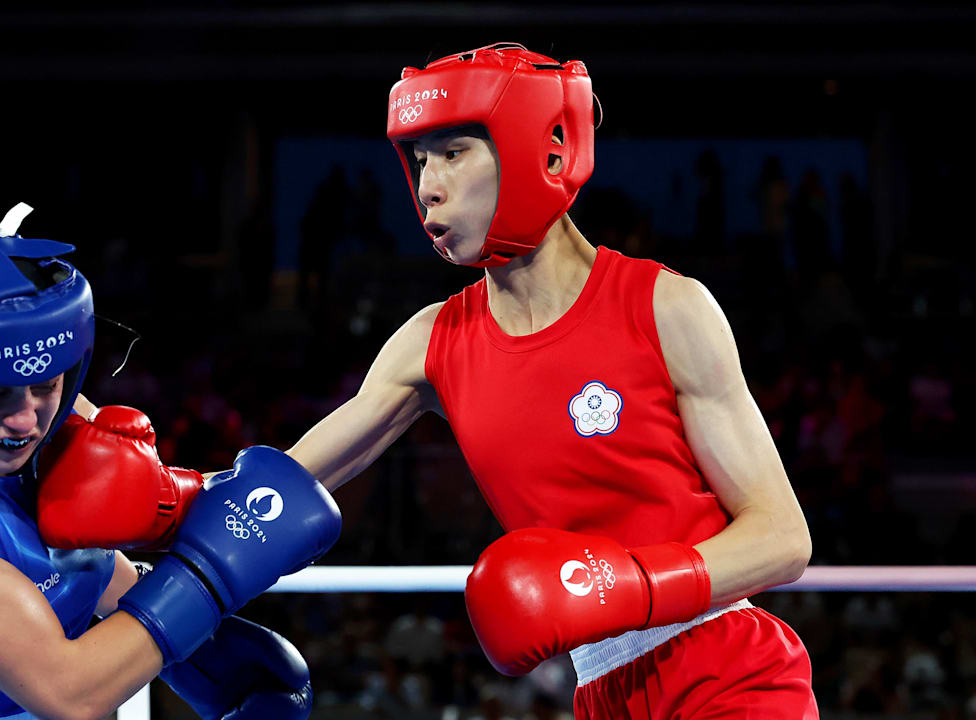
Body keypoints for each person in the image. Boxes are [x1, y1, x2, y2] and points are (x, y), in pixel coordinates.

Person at [283, 43, 819, 717]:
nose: (428, 186)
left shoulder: (665, 307)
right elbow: (276, 492)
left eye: (454, 153)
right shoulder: (430, 344)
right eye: (420, 160)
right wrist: (167, 503)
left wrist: (630, 586)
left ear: (546, 151)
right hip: (601, 688)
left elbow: (782, 538)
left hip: (726, 664)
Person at [0, 204, 341, 720]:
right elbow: (70, 695)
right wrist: (205, 580)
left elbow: (91, 565)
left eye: (46, 385)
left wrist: (199, 646)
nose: (26, 420)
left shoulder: (58, 425)